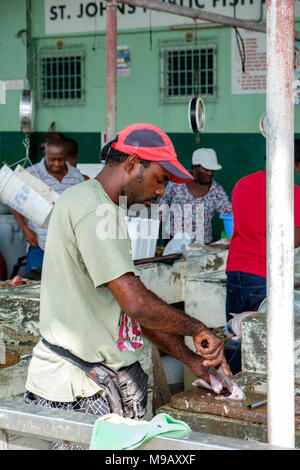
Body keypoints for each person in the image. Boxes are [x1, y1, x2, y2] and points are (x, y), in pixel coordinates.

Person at [24, 123, 230, 448]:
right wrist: (197, 327)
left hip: (92, 380)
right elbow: (135, 302)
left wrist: (187, 357)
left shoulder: (103, 207)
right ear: (132, 164)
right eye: (159, 179)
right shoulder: (95, 209)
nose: (162, 191)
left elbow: (125, 311)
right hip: (79, 389)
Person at [225, 147, 300, 374]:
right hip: (264, 274)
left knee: (235, 336)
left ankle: (230, 389)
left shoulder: (242, 183)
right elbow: (292, 240)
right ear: (296, 164)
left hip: (235, 270)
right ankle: (260, 398)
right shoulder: (292, 191)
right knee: (265, 343)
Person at [12, 138, 85, 280]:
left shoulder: (76, 176)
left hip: (67, 245)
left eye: (61, 159)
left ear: (67, 157)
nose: (57, 163)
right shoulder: (31, 173)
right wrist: (25, 228)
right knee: (35, 286)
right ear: (45, 154)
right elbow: (15, 202)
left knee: (64, 284)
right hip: (39, 243)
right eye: (52, 159)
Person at [158, 148, 232, 245]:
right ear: (194, 167)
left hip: (202, 245)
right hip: (173, 242)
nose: (210, 173)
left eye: (212, 170)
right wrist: (156, 242)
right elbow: (161, 210)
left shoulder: (217, 191)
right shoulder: (176, 183)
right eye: (206, 169)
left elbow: (229, 216)